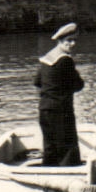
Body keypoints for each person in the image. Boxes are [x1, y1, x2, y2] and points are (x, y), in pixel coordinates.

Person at [33, 22, 84, 166]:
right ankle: (70, 174)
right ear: (60, 41)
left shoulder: (47, 58)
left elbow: (37, 82)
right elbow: (78, 85)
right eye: (68, 40)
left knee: (50, 146)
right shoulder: (65, 60)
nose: (72, 44)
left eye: (74, 40)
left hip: (45, 109)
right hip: (62, 110)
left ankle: (48, 172)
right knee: (67, 147)